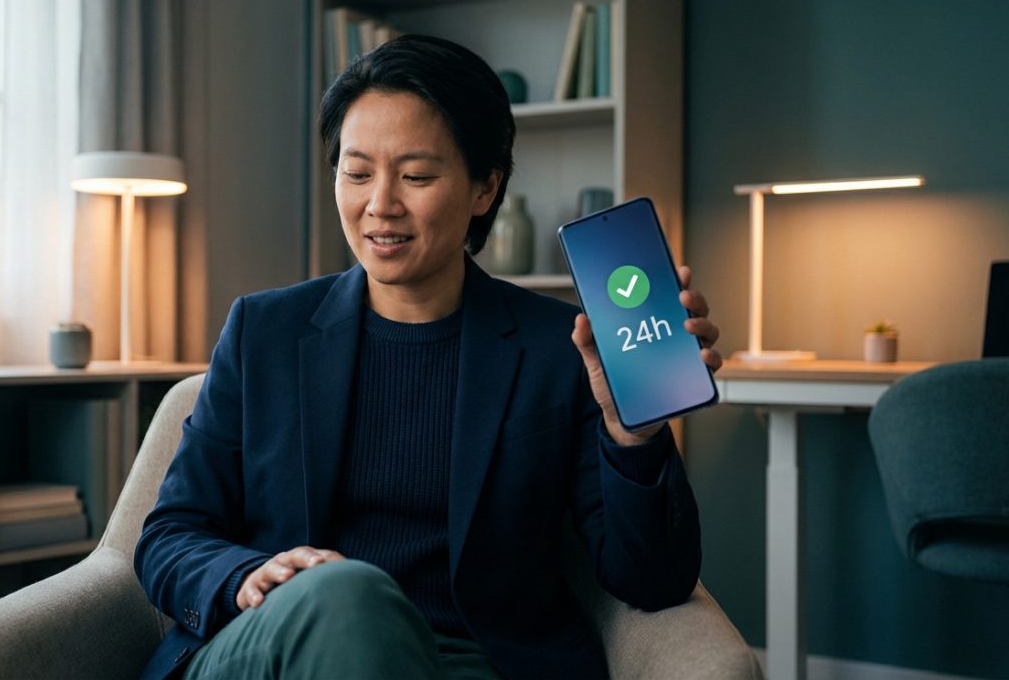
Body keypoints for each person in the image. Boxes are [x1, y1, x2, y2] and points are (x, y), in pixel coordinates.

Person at [135, 34, 723, 680]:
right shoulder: (263, 333)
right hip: (278, 646)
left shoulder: (559, 351)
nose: (379, 204)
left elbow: (654, 581)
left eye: (415, 176)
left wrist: (634, 435)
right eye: (356, 173)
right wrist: (246, 575)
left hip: (467, 662)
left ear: (483, 187)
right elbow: (169, 536)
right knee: (346, 596)